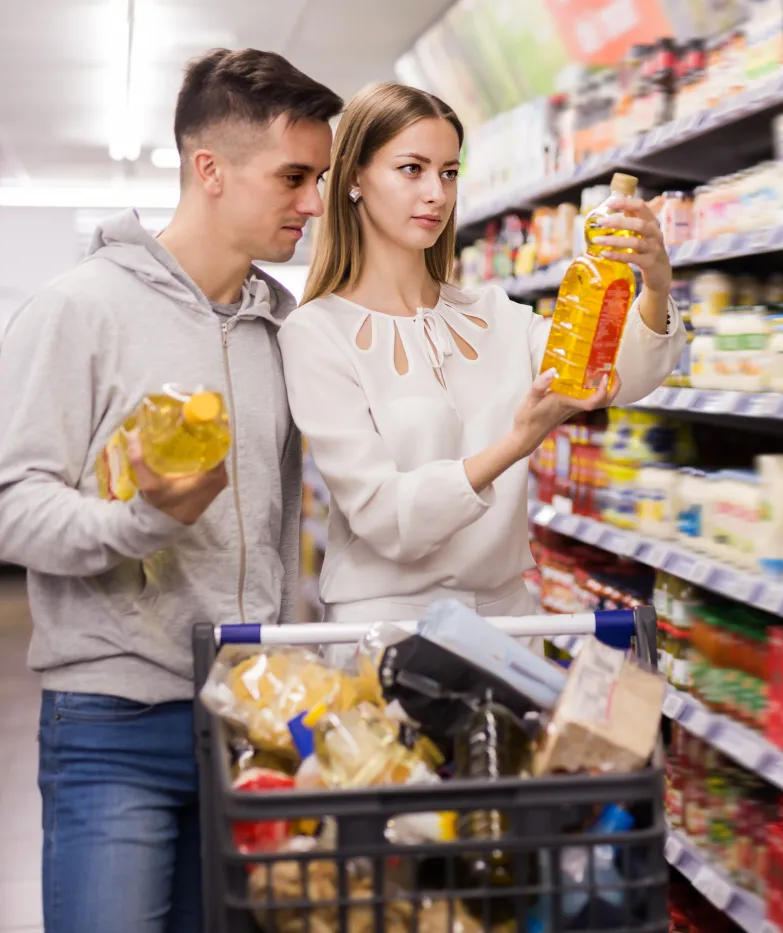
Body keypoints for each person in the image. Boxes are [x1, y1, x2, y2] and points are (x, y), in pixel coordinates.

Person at [0, 49, 341, 933]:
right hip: (113, 723)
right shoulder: (79, 311)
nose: (314, 202)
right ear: (209, 170)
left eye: (321, 178)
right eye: (294, 176)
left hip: (248, 717)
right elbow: (7, 510)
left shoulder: (283, 331)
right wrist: (146, 517)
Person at [278, 83, 684, 625]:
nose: (437, 194)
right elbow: (384, 516)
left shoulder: (496, 315)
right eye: (411, 169)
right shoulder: (316, 332)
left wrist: (654, 282)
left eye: (448, 172)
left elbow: (616, 375)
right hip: (387, 630)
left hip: (507, 621)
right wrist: (517, 442)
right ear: (354, 177)